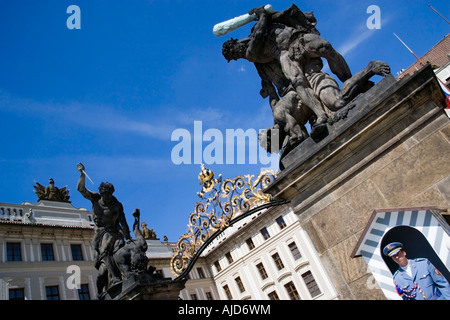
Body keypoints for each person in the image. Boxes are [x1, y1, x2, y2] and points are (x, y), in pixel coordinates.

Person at [76, 163, 131, 296]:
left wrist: (128, 237)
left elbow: (123, 222)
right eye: (105, 194)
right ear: (101, 193)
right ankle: (105, 287)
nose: (107, 197)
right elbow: (81, 189)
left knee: (121, 252)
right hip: (100, 233)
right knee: (102, 270)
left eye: (109, 194)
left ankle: (124, 275)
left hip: (114, 232)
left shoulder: (117, 205)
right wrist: (82, 175)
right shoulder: (96, 198)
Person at [383, 242, 450, 300]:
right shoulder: (397, 278)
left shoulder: (424, 263)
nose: (397, 257)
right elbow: (406, 298)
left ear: (404, 252)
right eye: (393, 256)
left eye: (397, 253)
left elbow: (442, 283)